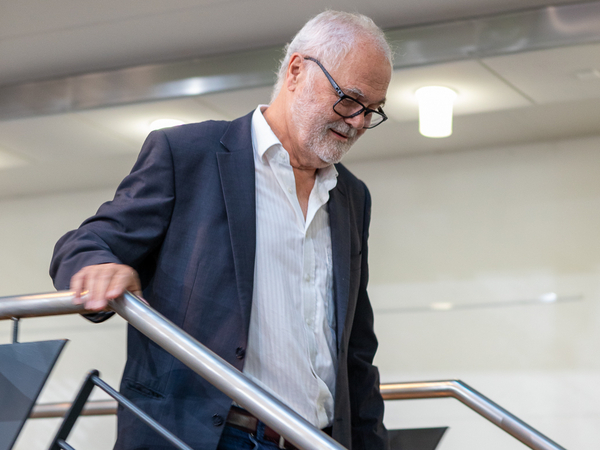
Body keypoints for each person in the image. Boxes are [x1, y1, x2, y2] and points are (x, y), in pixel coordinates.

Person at [50, 10, 393, 450]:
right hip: (215, 436)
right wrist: (98, 267)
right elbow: (86, 243)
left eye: (372, 111)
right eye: (349, 99)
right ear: (296, 71)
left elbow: (355, 350)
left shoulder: (351, 196)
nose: (359, 122)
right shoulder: (187, 154)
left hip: (319, 440)